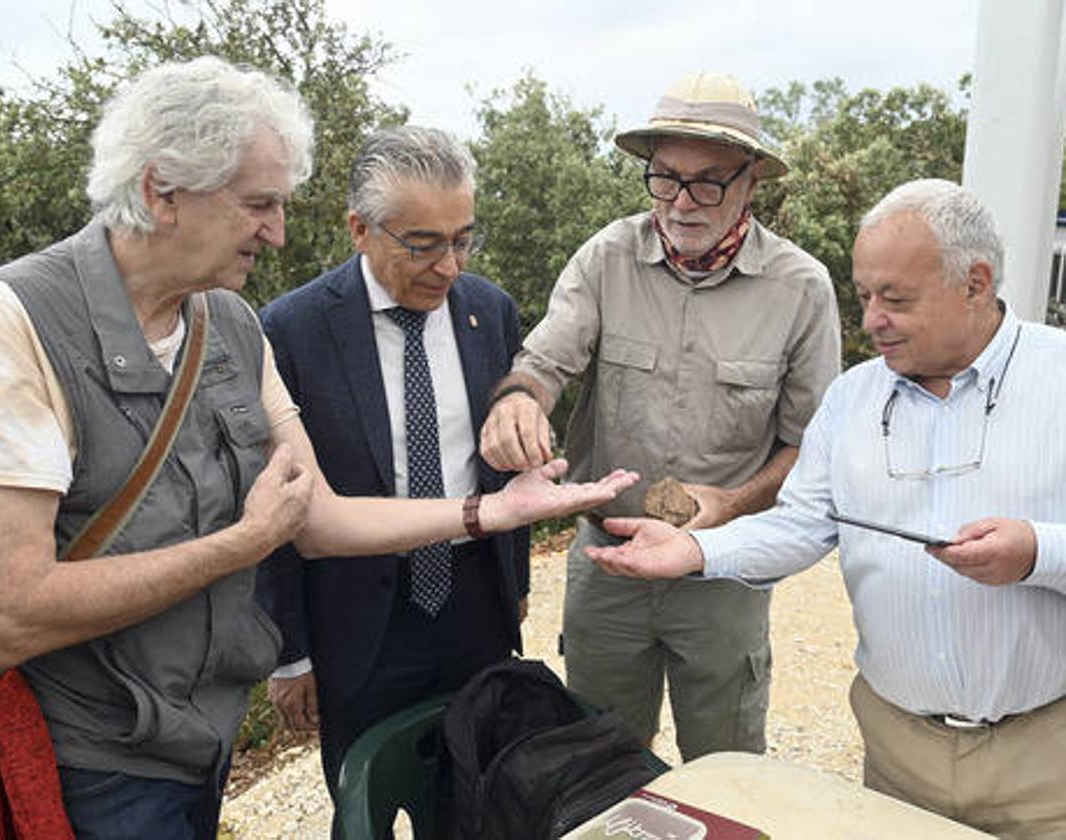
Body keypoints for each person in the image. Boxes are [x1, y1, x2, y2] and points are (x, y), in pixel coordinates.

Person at [0, 57, 637, 839]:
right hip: (81, 760)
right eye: (259, 204)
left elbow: (316, 518)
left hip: (201, 741)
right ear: (162, 191)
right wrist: (245, 547)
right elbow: (7, 616)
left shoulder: (230, 324)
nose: (279, 232)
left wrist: (492, 510)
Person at [586, 179, 1066, 839]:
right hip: (900, 756)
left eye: (895, 299)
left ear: (976, 282)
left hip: (1048, 760)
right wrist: (696, 551)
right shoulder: (852, 400)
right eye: (865, 296)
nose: (871, 321)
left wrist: (1039, 552)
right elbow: (804, 525)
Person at [480, 72, 841, 759]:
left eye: (709, 181)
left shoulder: (801, 289)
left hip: (724, 567)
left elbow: (809, 446)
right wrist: (518, 399)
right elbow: (544, 362)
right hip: (607, 561)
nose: (681, 201)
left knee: (727, 764)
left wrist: (733, 503)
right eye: (666, 177)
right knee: (597, 760)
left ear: (753, 180)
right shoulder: (606, 258)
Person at [255, 126, 531, 824]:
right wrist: (289, 653)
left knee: (479, 798)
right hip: (355, 616)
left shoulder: (489, 310)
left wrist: (514, 584)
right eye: (423, 244)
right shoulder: (290, 330)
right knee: (368, 804)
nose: (448, 266)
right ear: (360, 229)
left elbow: (502, 469)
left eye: (463, 239)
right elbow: (275, 501)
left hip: (474, 604)